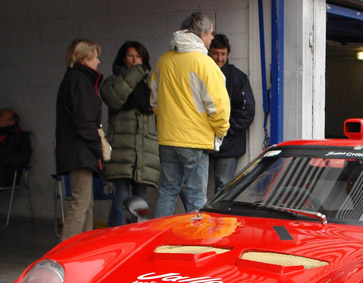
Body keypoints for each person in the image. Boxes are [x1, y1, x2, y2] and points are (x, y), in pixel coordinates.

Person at [150, 11, 230, 217]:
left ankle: (159, 241)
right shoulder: (204, 63)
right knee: (196, 197)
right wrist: (220, 131)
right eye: (211, 33)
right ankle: (196, 246)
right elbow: (219, 105)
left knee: (168, 191)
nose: (212, 38)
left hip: (168, 138)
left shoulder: (164, 60)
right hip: (195, 140)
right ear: (202, 34)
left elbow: (153, 100)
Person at [100, 41, 161, 227]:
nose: (135, 60)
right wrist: (134, 73)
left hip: (144, 152)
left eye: (138, 56)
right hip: (122, 151)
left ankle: (136, 239)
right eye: (130, 56)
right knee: (121, 198)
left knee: (140, 201)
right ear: (122, 58)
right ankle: (114, 239)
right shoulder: (112, 81)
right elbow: (115, 99)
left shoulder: (151, 83)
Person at [55, 38, 103, 240]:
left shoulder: (75, 79)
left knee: (86, 203)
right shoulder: (79, 80)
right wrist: (96, 145)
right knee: (80, 203)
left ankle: (84, 246)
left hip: (78, 149)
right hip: (80, 150)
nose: (98, 61)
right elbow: (84, 119)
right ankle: (66, 252)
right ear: (85, 59)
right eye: (95, 57)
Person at [208, 33, 255, 194]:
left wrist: (224, 130)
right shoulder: (201, 74)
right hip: (204, 140)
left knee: (223, 187)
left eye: (223, 54)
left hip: (229, 143)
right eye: (215, 53)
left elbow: (247, 112)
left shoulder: (237, 77)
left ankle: (220, 220)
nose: (219, 58)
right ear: (209, 52)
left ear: (228, 53)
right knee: (193, 188)